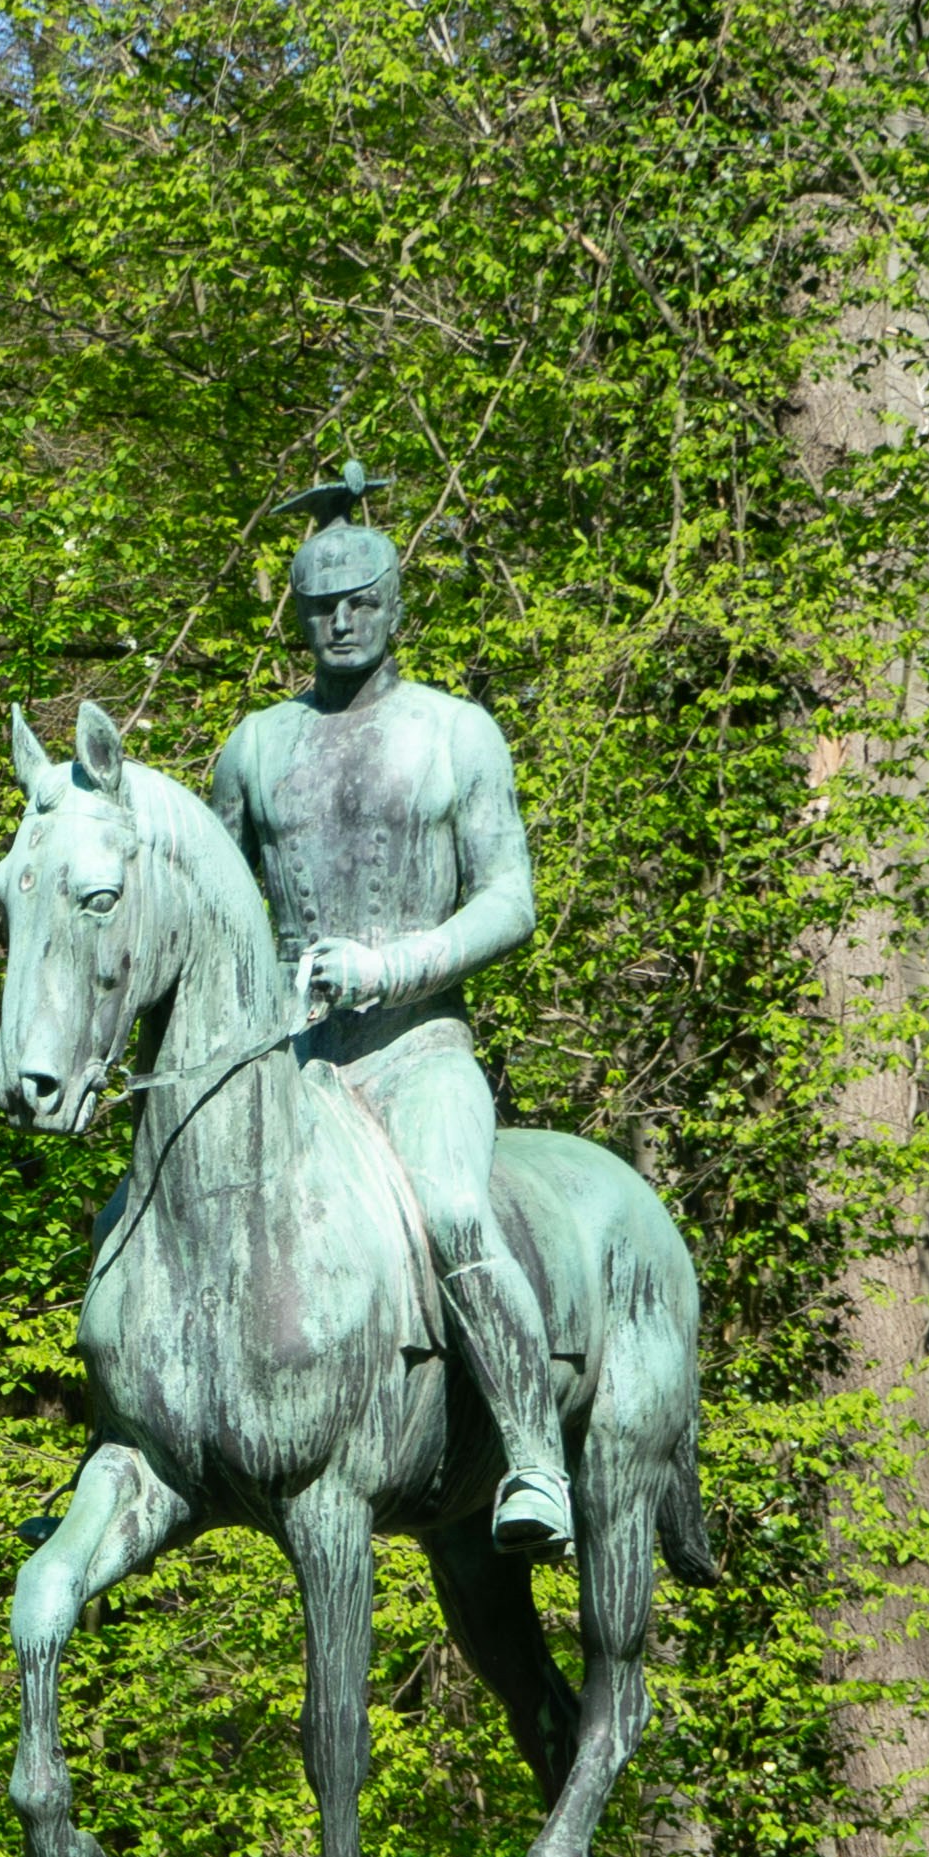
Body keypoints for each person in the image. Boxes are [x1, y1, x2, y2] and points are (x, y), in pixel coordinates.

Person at [204, 467, 570, 1555]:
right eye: (321, 608)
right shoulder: (255, 746)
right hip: (293, 1060)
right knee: (156, 1193)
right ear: (301, 617)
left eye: (360, 599)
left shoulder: (458, 733)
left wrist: (396, 964)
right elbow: (222, 911)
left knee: (456, 1211)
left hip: (417, 1053)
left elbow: (512, 899)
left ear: (395, 601)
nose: (343, 620)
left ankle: (534, 1455)